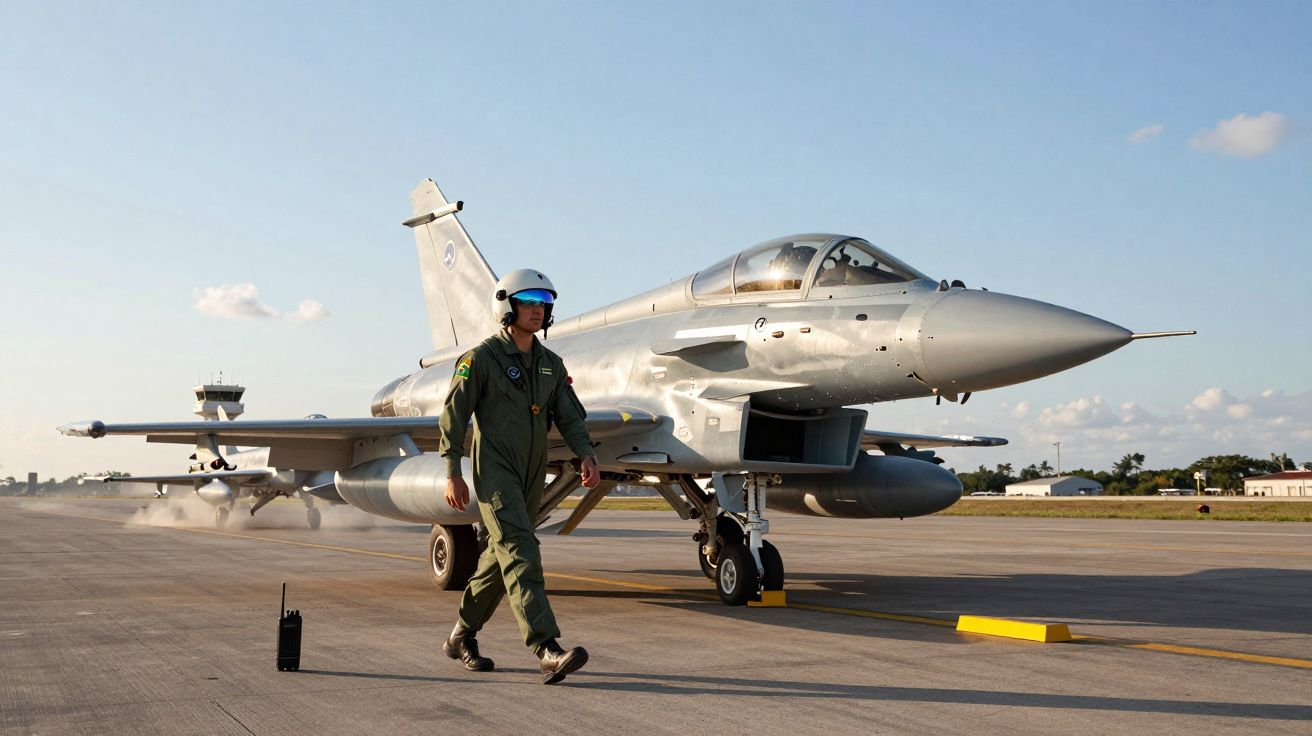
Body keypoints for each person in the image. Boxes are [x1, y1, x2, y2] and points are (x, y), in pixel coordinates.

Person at [437, 268, 601, 685]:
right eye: (528, 302)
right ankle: (546, 647)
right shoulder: (482, 359)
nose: (538, 310)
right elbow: (453, 418)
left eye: (543, 304)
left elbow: (569, 415)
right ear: (507, 306)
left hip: (533, 472)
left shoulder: (550, 363)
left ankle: (461, 635)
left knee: (499, 556)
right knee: (522, 549)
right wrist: (451, 472)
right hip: (495, 469)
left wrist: (586, 455)